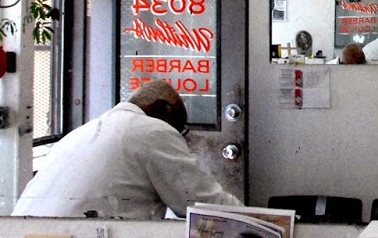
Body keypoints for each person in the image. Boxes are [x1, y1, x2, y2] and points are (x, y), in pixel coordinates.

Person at [12, 79, 240, 219]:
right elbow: (202, 203)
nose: (179, 140)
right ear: (164, 110)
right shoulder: (152, 130)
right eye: (178, 129)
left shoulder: (81, 133)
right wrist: (263, 222)